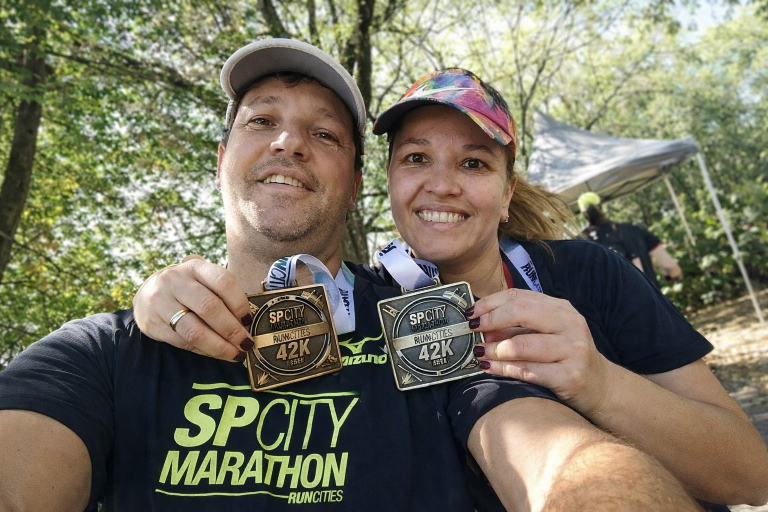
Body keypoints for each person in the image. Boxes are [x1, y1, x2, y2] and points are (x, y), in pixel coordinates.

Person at [0, 40, 704, 512]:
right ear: (221, 159)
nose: (289, 142)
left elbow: (557, 462)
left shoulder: (422, 318)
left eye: (326, 134)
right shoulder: (104, 351)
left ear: (357, 182)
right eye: (262, 121)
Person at [578, 191, 683, 288]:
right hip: (649, 298)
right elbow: (670, 267)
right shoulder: (634, 229)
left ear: (583, 214)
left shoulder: (579, 244)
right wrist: (671, 275)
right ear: (601, 207)